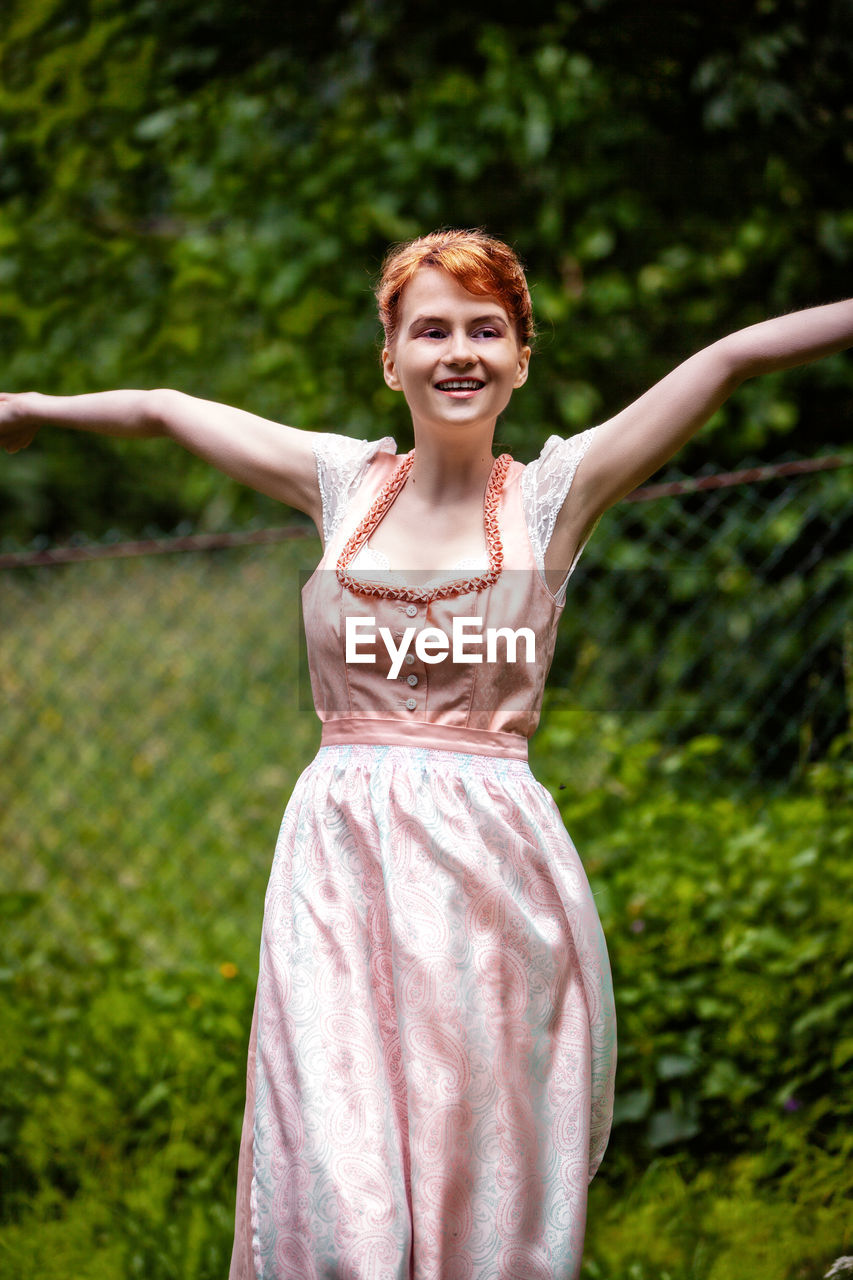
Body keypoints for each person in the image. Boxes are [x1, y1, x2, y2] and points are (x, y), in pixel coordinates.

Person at [1, 229, 851, 1280]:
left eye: (486, 329)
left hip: (490, 873)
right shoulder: (341, 483)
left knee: (480, 1147)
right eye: (432, 329)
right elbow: (170, 408)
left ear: (521, 357)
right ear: (389, 357)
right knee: (334, 1143)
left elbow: (727, 359)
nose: (460, 351)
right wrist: (30, 410)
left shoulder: (549, 496)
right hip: (338, 863)